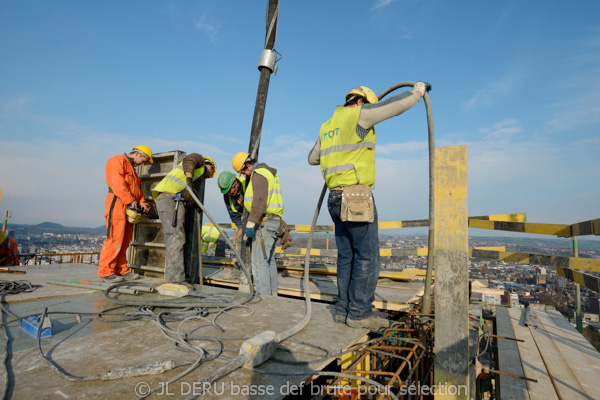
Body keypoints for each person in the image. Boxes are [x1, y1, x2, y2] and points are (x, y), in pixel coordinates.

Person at [308, 82, 431, 330]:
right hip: (355, 197)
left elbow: (312, 159)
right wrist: (417, 92)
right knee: (367, 257)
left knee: (346, 257)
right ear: (363, 101)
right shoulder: (360, 114)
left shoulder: (328, 125)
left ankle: (343, 310)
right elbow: (394, 107)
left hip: (335, 197)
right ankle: (360, 313)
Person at [152, 153, 216, 289]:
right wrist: (189, 178)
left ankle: (174, 277)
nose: (206, 177)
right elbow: (190, 158)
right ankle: (175, 280)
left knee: (175, 238)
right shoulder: (198, 162)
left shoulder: (195, 177)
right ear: (209, 166)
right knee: (176, 238)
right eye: (209, 174)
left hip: (169, 200)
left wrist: (196, 205)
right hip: (171, 200)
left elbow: (190, 194)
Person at [97, 145, 153, 283]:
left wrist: (142, 202)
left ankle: (121, 270)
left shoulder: (133, 171)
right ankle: (105, 272)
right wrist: (130, 200)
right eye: (144, 160)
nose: (143, 164)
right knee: (114, 239)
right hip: (116, 203)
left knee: (125, 240)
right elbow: (116, 182)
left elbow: (137, 191)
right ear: (138, 154)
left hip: (128, 206)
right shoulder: (117, 160)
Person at [232, 152, 283, 296]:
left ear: (248, 164)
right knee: (268, 260)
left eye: (243, 171)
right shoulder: (269, 174)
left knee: (259, 263)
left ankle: (264, 299)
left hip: (264, 223)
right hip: (272, 221)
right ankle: (272, 297)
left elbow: (260, 200)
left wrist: (252, 221)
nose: (243, 175)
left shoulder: (259, 174)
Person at [217, 171, 247, 241]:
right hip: (245, 218)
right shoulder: (227, 194)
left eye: (229, 191)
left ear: (236, 184)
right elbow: (233, 214)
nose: (228, 194)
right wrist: (240, 227)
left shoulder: (247, 183)